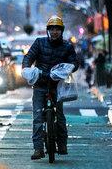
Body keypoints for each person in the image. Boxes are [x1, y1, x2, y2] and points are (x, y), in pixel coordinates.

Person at [22, 15, 78, 160]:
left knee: (59, 116)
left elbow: (74, 63)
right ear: (48, 30)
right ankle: (38, 148)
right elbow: (29, 57)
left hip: (57, 86)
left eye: (57, 29)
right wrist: (26, 68)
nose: (54, 32)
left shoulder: (67, 46)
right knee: (37, 117)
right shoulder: (39, 43)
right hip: (40, 84)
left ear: (61, 31)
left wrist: (67, 69)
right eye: (52, 29)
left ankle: (62, 144)